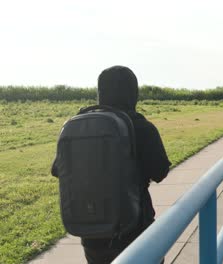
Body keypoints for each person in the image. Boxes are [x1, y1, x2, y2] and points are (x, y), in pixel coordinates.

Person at [51, 65, 171, 263]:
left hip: (92, 234)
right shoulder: (142, 126)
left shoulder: (80, 126)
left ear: (100, 93)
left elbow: (58, 170)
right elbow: (160, 172)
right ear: (134, 93)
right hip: (136, 228)